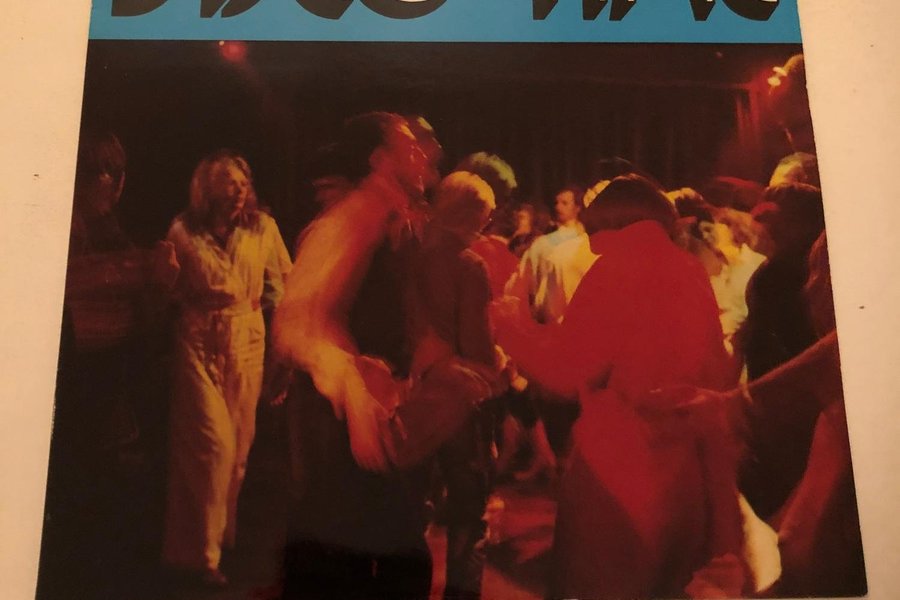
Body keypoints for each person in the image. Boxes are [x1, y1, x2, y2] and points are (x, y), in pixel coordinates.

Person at [493, 174, 739, 599]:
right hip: (681, 473)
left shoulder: (615, 267)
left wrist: (507, 328)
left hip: (620, 471)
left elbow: (568, 374)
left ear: (607, 220)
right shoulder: (687, 269)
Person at [273, 112, 435, 599]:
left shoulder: (392, 218)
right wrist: (353, 390)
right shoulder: (351, 219)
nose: (423, 155)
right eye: (409, 147)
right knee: (356, 557)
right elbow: (294, 324)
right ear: (380, 160)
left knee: (379, 555)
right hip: (342, 419)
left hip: (370, 411)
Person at [40, 130, 179, 599]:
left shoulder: (112, 233)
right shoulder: (60, 228)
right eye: (95, 170)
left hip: (107, 392)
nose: (107, 181)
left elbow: (142, 329)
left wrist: (156, 285)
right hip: (70, 396)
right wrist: (144, 279)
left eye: (114, 171)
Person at [161, 150, 292, 587]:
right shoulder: (183, 230)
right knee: (209, 446)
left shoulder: (263, 228)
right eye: (227, 182)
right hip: (199, 336)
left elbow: (281, 287)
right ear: (206, 187)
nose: (237, 191)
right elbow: (169, 287)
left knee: (237, 449)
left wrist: (283, 353)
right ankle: (197, 556)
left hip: (247, 335)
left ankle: (221, 535)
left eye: (242, 182)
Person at [408, 172, 503, 600]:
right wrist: (502, 366)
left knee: (414, 511)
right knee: (468, 511)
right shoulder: (469, 265)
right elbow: (477, 346)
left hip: (411, 398)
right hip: (458, 404)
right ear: (474, 215)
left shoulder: (409, 256)